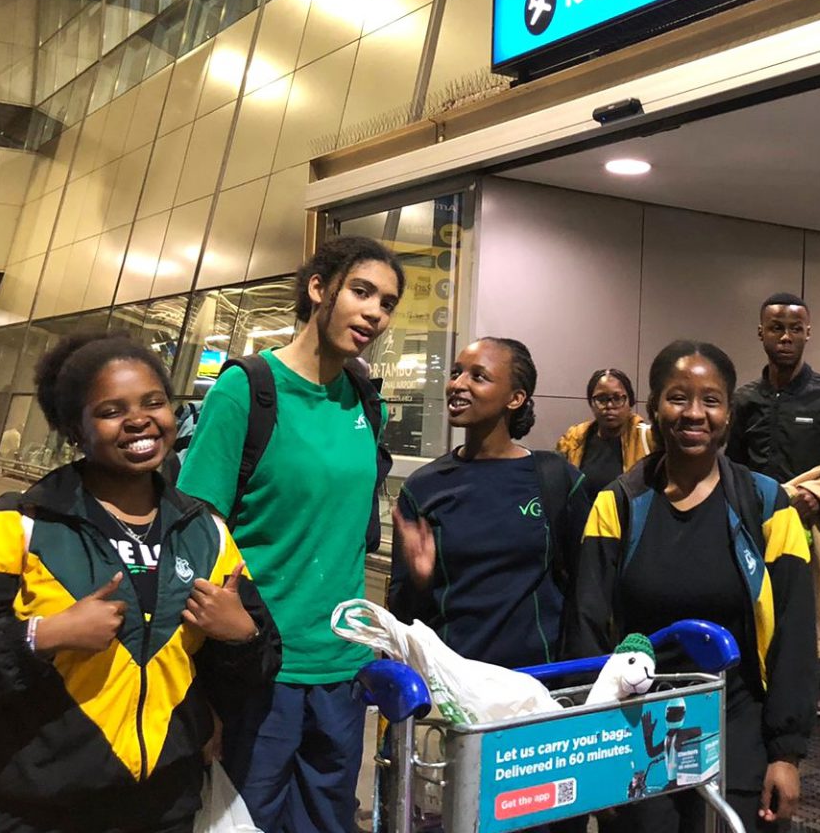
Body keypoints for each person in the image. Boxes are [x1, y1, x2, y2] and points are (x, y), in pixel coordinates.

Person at [0, 333, 280, 832]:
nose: (139, 419)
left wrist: (241, 635)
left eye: (153, 402)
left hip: (164, 807)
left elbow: (256, 669)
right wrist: (42, 637)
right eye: (111, 410)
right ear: (74, 428)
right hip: (32, 810)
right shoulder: (16, 524)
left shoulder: (206, 533)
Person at [178, 236, 401, 833]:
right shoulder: (248, 389)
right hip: (259, 668)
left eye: (387, 303)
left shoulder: (364, 401)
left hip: (342, 667)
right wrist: (202, 683)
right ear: (319, 288)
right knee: (246, 819)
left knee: (328, 821)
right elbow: (197, 533)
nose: (374, 313)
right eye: (361, 291)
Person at [567, 340, 817, 832]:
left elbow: (794, 631)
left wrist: (787, 753)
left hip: (739, 723)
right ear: (655, 408)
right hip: (636, 726)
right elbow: (587, 624)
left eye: (711, 399)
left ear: (728, 412)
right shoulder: (618, 504)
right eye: (678, 397)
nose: (694, 413)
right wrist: (592, 746)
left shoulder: (767, 505)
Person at [390, 338, 591, 669]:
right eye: (456, 373)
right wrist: (420, 581)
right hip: (453, 686)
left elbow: (586, 590)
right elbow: (403, 613)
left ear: (515, 398)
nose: (458, 384)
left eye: (478, 376)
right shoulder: (423, 488)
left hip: (537, 683)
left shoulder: (556, 479)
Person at [726, 292, 820, 716]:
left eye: (794, 328)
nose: (785, 336)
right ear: (761, 334)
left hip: (813, 525)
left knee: (814, 611)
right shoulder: (743, 399)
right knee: (761, 609)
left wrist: (818, 499)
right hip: (756, 523)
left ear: (808, 333)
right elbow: (731, 464)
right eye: (776, 328)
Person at [555, 368, 653, 497]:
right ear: (591, 403)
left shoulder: (648, 439)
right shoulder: (574, 440)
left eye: (617, 398)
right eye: (601, 399)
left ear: (630, 402)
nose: (609, 405)